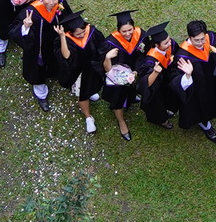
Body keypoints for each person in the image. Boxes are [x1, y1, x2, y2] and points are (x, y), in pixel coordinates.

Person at [168, 19, 216, 141]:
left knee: (215, 95)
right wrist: (187, 75)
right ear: (189, 37)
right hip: (197, 87)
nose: (200, 43)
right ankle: (205, 125)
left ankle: (215, 110)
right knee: (200, 105)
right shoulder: (182, 56)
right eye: (196, 40)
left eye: (202, 39)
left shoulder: (211, 38)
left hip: (213, 79)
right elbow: (174, 79)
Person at [13, 0, 70, 110]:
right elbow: (14, 30)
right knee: (37, 68)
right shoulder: (31, 11)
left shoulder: (60, 4)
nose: (51, 2)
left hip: (55, 42)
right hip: (37, 47)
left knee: (56, 59)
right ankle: (41, 92)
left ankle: (55, 72)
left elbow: (68, 19)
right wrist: (26, 27)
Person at [55, 11, 111, 134]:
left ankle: (91, 92)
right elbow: (66, 56)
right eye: (78, 34)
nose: (81, 35)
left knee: (94, 85)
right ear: (70, 33)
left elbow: (102, 45)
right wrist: (62, 37)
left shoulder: (91, 31)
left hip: (93, 67)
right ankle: (88, 118)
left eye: (83, 32)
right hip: (78, 73)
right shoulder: (67, 40)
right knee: (82, 94)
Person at [100, 10, 147, 140]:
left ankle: (131, 97)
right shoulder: (110, 42)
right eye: (124, 31)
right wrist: (107, 58)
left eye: (130, 30)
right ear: (118, 30)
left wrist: (136, 71)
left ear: (134, 26)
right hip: (117, 80)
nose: (127, 34)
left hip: (133, 73)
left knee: (132, 90)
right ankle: (121, 121)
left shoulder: (140, 34)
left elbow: (142, 55)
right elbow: (107, 70)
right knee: (118, 97)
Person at [138, 22, 178, 129]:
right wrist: (155, 72)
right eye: (166, 43)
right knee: (157, 104)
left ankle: (169, 108)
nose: (170, 43)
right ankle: (163, 121)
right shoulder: (150, 61)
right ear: (156, 45)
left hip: (166, 80)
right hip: (155, 87)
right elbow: (145, 84)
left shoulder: (170, 45)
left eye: (169, 40)